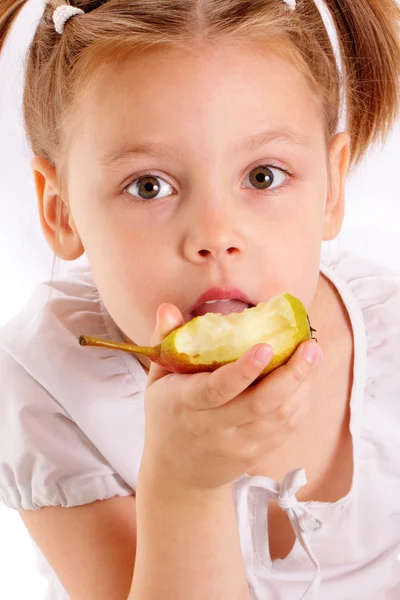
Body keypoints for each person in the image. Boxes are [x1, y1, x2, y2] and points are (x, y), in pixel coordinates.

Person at [0, 0, 399, 598]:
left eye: (263, 176)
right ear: (60, 209)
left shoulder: (388, 334)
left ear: (333, 187)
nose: (215, 236)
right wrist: (186, 483)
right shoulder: (50, 381)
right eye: (149, 186)